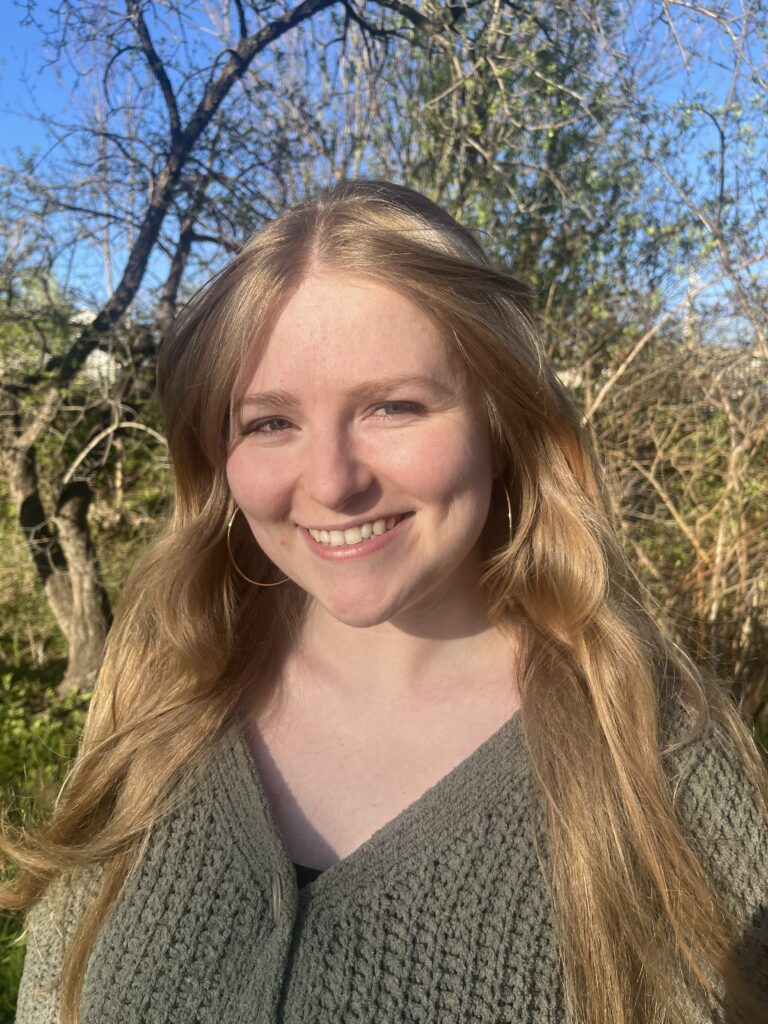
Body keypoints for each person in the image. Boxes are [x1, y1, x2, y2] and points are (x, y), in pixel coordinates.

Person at [2, 179, 767, 1024]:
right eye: (269, 423)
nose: (333, 482)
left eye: (393, 407)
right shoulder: (160, 699)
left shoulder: (655, 758)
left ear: (500, 419)